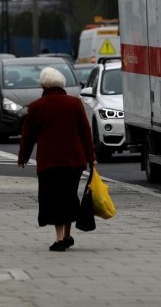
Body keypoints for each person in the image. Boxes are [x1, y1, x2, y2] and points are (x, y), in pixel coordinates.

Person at [18, 66, 96, 251]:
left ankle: (60, 238)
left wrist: (23, 157)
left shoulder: (36, 107)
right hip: (73, 161)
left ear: (43, 85)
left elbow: (28, 135)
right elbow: (85, 132)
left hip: (49, 162)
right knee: (69, 197)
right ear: (62, 84)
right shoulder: (75, 104)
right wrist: (90, 157)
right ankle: (67, 235)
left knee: (53, 199)